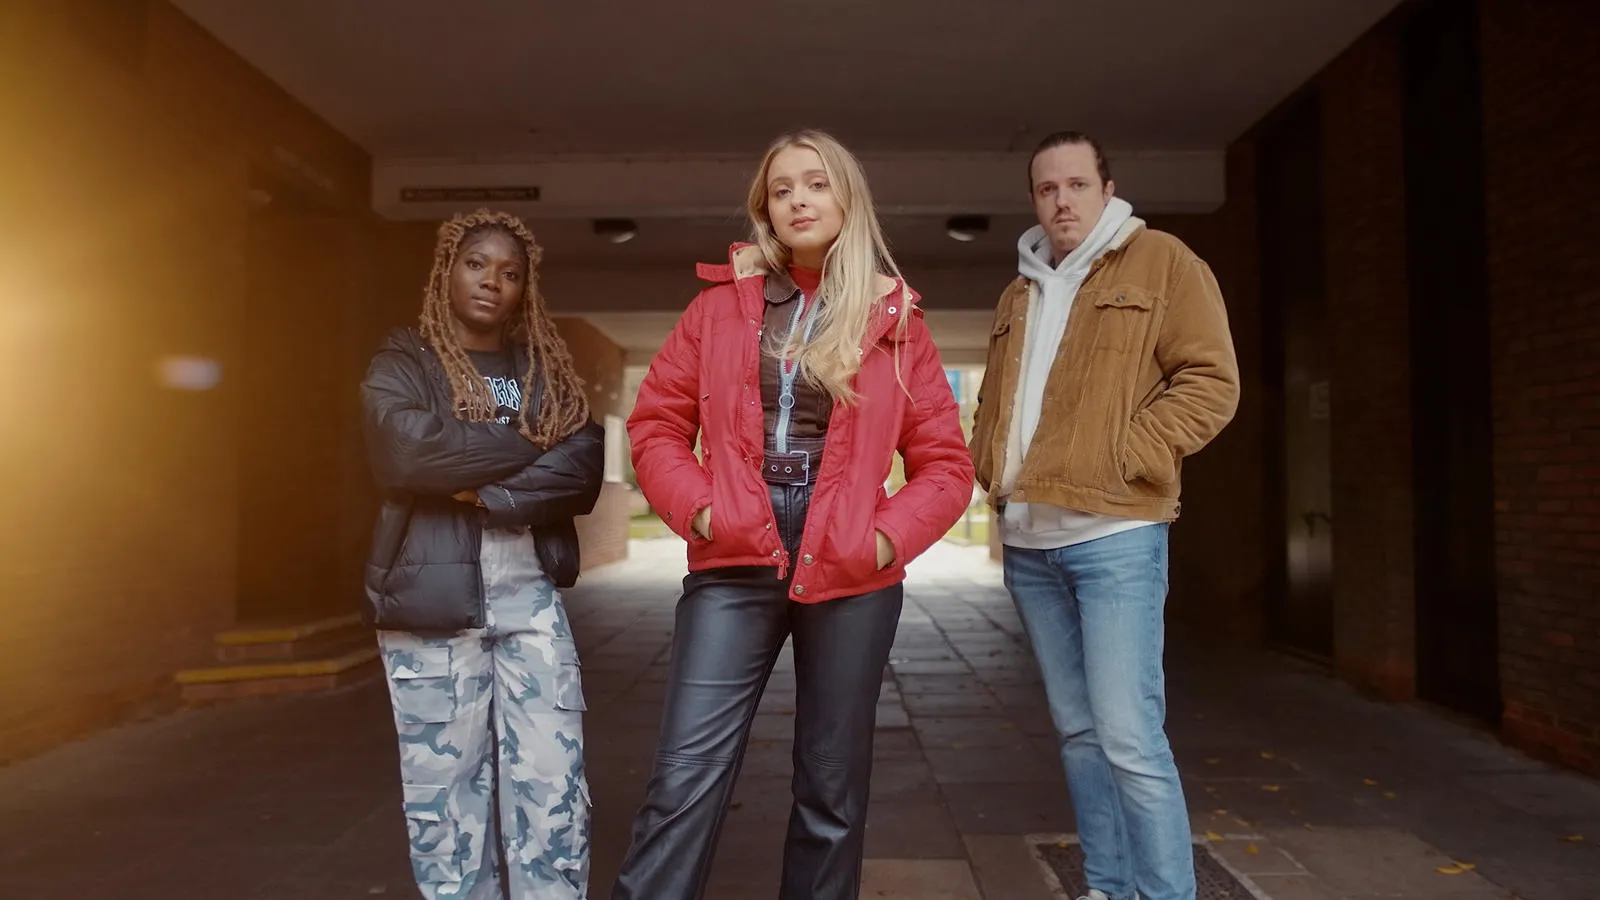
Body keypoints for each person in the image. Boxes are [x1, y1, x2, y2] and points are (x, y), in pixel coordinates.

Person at [613, 130, 974, 900]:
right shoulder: (718, 309)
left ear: (846, 199)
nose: (799, 200)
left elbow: (946, 465)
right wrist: (703, 514)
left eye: (815, 184)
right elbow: (654, 426)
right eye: (782, 190)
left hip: (849, 566)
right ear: (765, 210)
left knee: (831, 794)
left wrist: (882, 539)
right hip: (735, 551)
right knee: (684, 778)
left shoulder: (896, 321)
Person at [969, 132, 1240, 900]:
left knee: (1128, 738)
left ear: (1106, 187)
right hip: (1029, 548)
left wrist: (1130, 451)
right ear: (1034, 200)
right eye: (1047, 188)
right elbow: (997, 401)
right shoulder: (1018, 292)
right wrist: (991, 461)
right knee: (1080, 736)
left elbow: (1211, 382)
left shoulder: (1163, 262)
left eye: (1076, 184)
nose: (1062, 200)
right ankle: (1108, 886)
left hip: (1115, 536)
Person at [360, 208, 605, 900]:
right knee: (445, 797)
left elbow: (583, 465)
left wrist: (484, 489)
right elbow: (406, 450)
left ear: (525, 289)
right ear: (447, 270)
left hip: (530, 600)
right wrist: (532, 444)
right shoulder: (405, 360)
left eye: (510, 272)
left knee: (554, 788)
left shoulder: (543, 370)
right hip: (429, 604)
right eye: (476, 264)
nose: (492, 282)